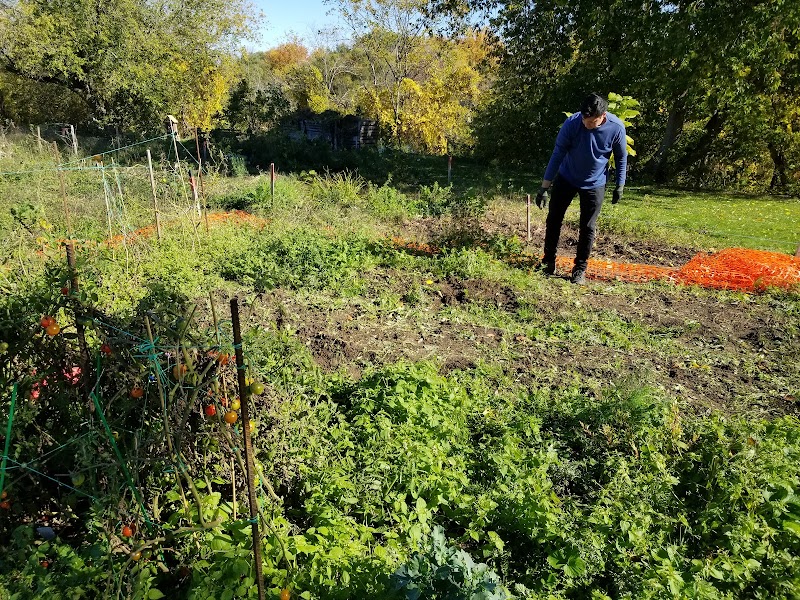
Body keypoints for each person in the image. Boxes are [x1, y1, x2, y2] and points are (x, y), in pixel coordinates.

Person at [535, 93, 627, 284]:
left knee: (587, 227)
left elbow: (620, 157)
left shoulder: (616, 128)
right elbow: (557, 154)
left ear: (603, 116)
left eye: (591, 122)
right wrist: (544, 187)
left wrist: (620, 184)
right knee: (554, 219)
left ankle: (579, 269)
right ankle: (548, 261)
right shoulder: (572, 123)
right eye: (584, 120)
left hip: (595, 183)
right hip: (567, 177)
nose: (586, 124)